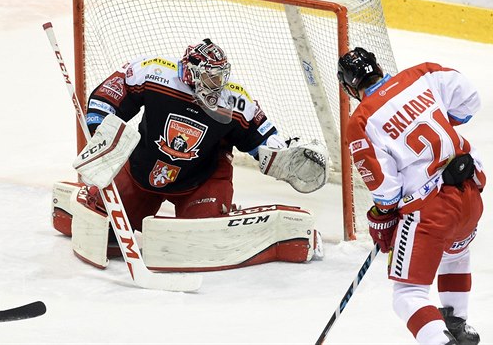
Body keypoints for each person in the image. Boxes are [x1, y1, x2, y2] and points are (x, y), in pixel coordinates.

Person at [53, 38, 327, 269]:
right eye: (211, 75)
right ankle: (90, 199)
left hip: (201, 181)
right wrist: (99, 127)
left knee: (202, 241)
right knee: (105, 229)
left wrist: (281, 156)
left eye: (221, 75)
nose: (218, 83)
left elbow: (263, 138)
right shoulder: (154, 72)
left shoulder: (235, 100)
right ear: (192, 71)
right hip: (143, 173)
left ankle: (220, 213)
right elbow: (113, 91)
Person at [338, 48, 486, 345]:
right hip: (470, 192)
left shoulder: (362, 121)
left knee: (407, 295)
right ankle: (457, 326)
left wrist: (383, 219)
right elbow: (470, 101)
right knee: (456, 255)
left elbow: (385, 189)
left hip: (431, 211)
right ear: (378, 66)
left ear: (350, 86)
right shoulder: (423, 74)